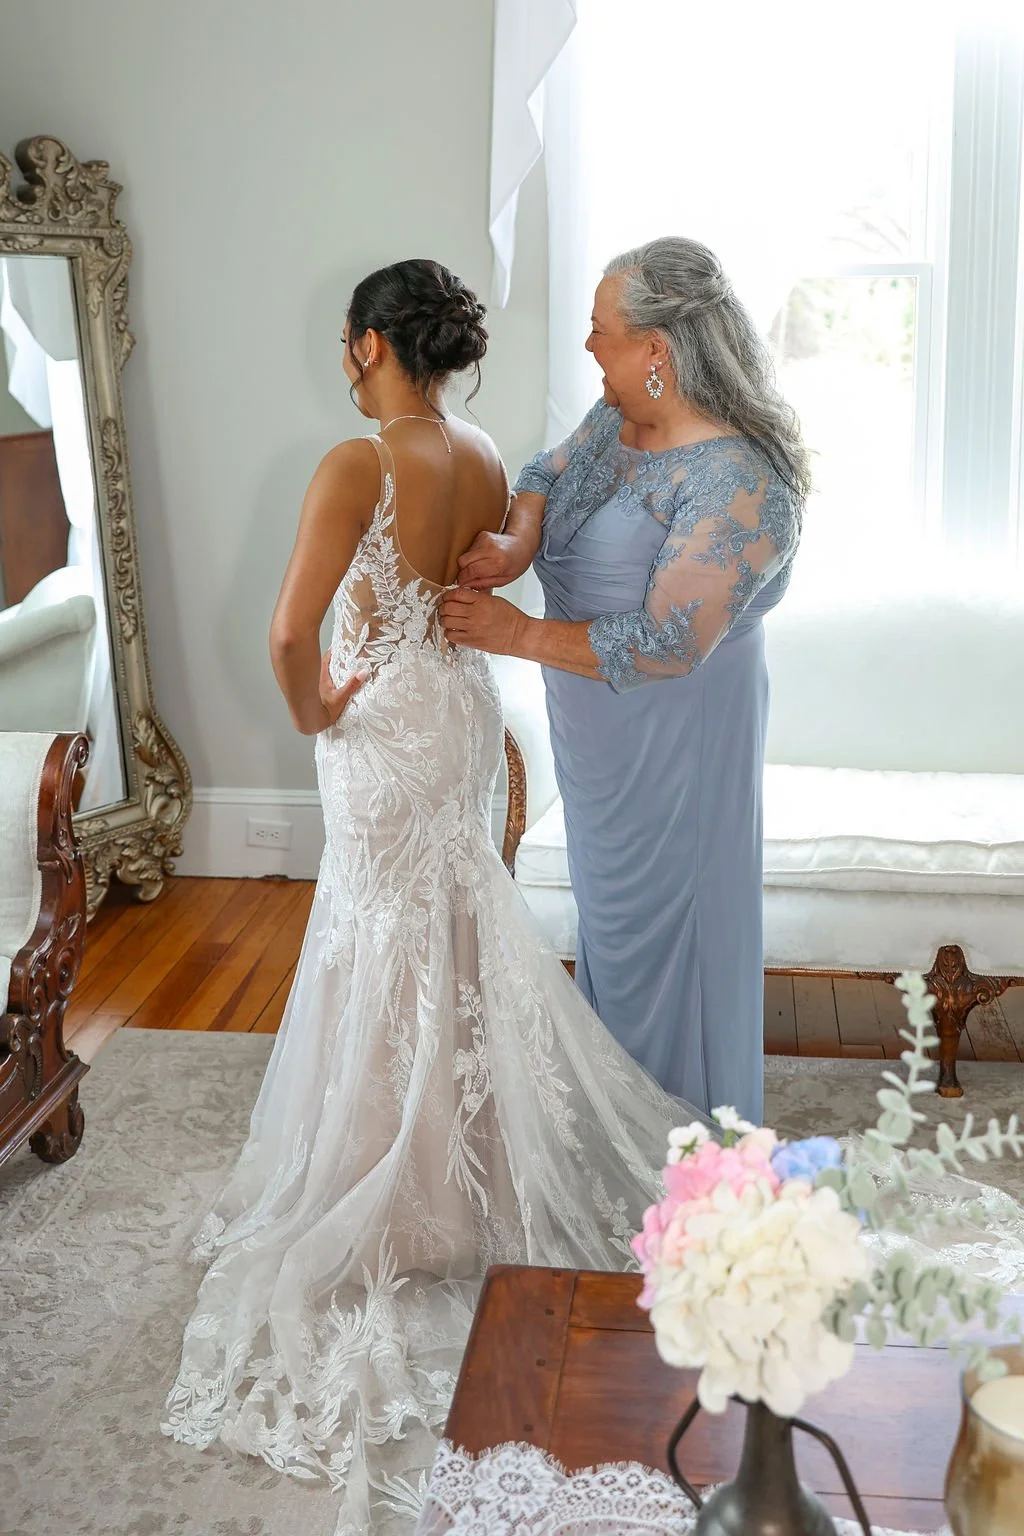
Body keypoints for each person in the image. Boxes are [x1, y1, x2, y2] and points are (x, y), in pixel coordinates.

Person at [161, 258, 714, 1536]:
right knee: (452, 925)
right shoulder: (472, 446)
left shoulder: (358, 462)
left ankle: (392, 1187)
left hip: (385, 723)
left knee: (379, 937)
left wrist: (318, 712)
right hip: (463, 715)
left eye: (345, 344)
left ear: (367, 347)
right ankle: (451, 1181)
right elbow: (490, 584)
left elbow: (291, 637)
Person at [442, 237, 810, 1126]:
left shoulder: (738, 478)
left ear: (658, 350)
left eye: (602, 331)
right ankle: (618, 1127)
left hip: (677, 747)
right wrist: (522, 538)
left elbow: (667, 644)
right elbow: (540, 473)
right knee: (613, 930)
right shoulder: (618, 420)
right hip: (600, 749)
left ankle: (681, 1148)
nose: (588, 347)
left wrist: (518, 631)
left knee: (672, 934)